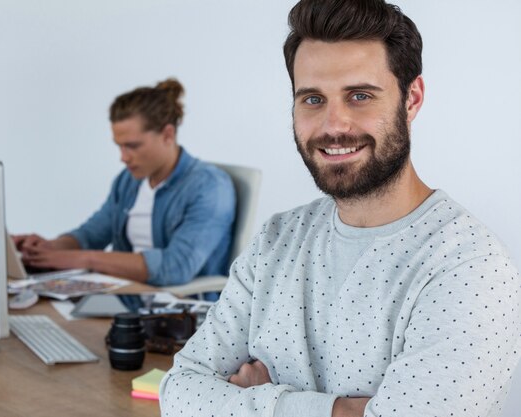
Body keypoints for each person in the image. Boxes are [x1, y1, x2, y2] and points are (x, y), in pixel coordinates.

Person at [160, 1, 520, 416]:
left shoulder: (470, 268)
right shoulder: (276, 240)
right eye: (313, 99)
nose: (334, 125)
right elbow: (178, 392)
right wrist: (340, 410)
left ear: (412, 99)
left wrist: (250, 402)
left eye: (360, 96)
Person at [14, 78, 236, 287]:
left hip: (176, 313)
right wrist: (48, 249)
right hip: (124, 297)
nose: (123, 157)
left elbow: (175, 267)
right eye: (119, 146)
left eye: (133, 146)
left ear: (168, 135)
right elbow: (91, 235)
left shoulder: (210, 187)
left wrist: (86, 260)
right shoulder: (129, 181)